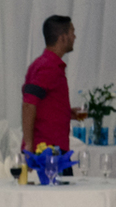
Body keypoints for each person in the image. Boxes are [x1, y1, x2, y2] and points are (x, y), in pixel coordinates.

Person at [22, 15, 80, 152]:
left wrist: (65, 113)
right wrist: (28, 144)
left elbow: (40, 103)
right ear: (63, 38)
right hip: (47, 151)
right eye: (72, 32)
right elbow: (28, 104)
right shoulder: (49, 67)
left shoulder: (41, 64)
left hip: (50, 148)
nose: (75, 37)